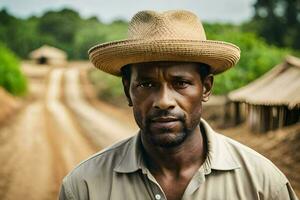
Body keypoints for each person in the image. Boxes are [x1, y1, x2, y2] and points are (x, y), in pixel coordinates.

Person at [59, 10, 298, 200]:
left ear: (206, 88)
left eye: (181, 83)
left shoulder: (262, 185)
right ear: (127, 90)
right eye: (146, 84)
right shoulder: (84, 187)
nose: (164, 101)